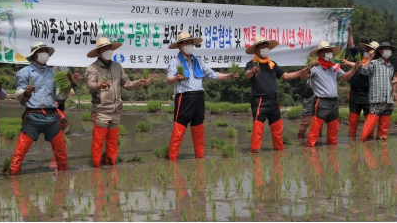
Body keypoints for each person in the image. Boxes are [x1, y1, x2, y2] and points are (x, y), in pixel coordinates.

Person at [166, 31, 238, 161]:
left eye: (190, 43)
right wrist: (176, 78)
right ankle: (172, 159)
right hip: (184, 98)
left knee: (198, 128)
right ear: (180, 46)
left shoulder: (198, 61)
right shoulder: (175, 61)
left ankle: (200, 158)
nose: (189, 45)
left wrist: (228, 76)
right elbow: (169, 79)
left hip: (199, 97)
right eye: (186, 43)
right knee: (179, 129)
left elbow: (212, 75)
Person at [86, 37, 150, 167]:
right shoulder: (92, 68)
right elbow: (91, 85)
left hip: (116, 111)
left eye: (109, 48)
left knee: (113, 141)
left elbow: (127, 84)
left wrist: (140, 82)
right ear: (99, 52)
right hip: (101, 110)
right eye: (105, 48)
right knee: (98, 142)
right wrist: (99, 85)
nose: (108, 50)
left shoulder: (117, 66)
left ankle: (111, 166)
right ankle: (96, 168)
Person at [9, 42, 68, 175]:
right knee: (20, 151)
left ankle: (63, 179)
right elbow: (18, 94)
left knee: (61, 152)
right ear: (35, 54)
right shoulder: (24, 72)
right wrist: (27, 92)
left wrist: (68, 85)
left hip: (51, 116)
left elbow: (59, 95)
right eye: (42, 51)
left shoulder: (52, 72)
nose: (45, 54)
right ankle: (13, 179)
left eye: (46, 51)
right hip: (33, 115)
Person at [245, 36, 308, 153]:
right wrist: (253, 70)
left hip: (274, 101)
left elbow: (286, 76)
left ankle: (279, 153)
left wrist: (300, 72)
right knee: (258, 129)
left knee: (277, 129)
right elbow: (247, 75)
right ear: (256, 49)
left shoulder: (272, 64)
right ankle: (254, 153)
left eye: (266, 46)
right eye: (262, 46)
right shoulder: (251, 64)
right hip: (260, 101)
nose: (265, 48)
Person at [304, 41, 360, 147]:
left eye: (330, 51)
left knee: (333, 130)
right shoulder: (315, 67)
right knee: (316, 129)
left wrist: (354, 68)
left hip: (334, 102)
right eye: (327, 51)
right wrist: (309, 67)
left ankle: (332, 155)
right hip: (322, 101)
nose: (330, 53)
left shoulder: (333, 66)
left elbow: (346, 76)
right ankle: (309, 151)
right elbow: (303, 76)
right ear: (320, 54)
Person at [341, 26, 379, 139]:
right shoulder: (358, 56)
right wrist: (350, 33)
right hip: (355, 93)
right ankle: (352, 140)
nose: (368, 50)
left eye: (371, 49)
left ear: (375, 52)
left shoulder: (376, 63)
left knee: (369, 119)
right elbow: (351, 45)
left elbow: (364, 68)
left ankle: (370, 140)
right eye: (367, 48)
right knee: (353, 118)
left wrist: (349, 63)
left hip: (368, 94)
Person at [359, 42, 396, 141]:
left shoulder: (391, 67)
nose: (388, 51)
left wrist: (394, 91)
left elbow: (389, 81)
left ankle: (382, 147)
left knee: (384, 129)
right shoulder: (374, 63)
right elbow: (363, 71)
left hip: (388, 99)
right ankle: (361, 142)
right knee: (370, 124)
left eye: (390, 49)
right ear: (380, 51)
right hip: (377, 98)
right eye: (386, 49)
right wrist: (370, 58)